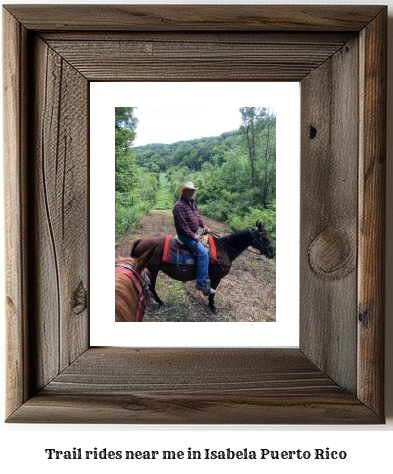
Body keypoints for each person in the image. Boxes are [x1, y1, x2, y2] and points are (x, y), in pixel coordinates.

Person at [172, 181, 214, 296]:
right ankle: (201, 283)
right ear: (183, 192)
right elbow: (182, 226)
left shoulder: (192, 203)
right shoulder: (179, 206)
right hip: (185, 235)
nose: (191, 193)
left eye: (192, 191)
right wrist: (193, 235)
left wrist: (204, 226)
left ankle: (205, 273)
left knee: (209, 247)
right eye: (188, 191)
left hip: (194, 232)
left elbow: (198, 217)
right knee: (203, 254)